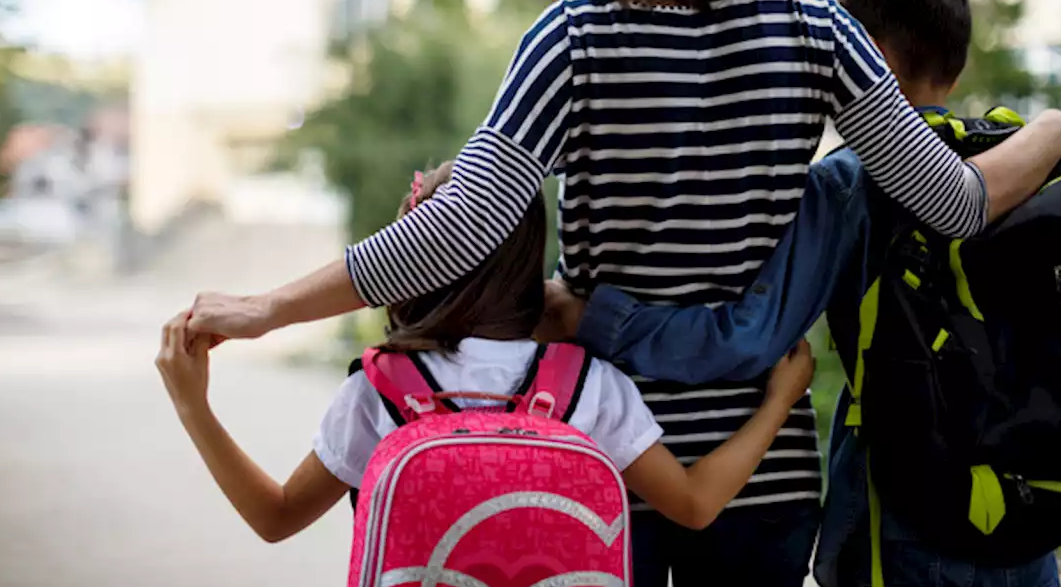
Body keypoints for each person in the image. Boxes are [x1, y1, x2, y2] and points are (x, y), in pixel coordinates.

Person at [185, 0, 1061, 587]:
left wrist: (266, 308)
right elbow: (956, 204)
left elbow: (459, 226)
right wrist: (1053, 128)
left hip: (601, 452)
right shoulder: (814, 25)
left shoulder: (573, 35)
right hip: (765, 461)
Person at [542, 0, 1061, 587]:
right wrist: (1056, 126)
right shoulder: (1023, 162)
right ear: (954, 69)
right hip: (1030, 516)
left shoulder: (847, 184)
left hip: (909, 509)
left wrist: (589, 316)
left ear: (862, 58)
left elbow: (746, 336)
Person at [155, 162, 816, 556]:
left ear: (410, 260)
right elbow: (696, 504)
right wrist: (778, 403)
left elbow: (274, 517)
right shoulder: (588, 386)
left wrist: (193, 405)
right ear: (531, 259)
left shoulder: (380, 391)